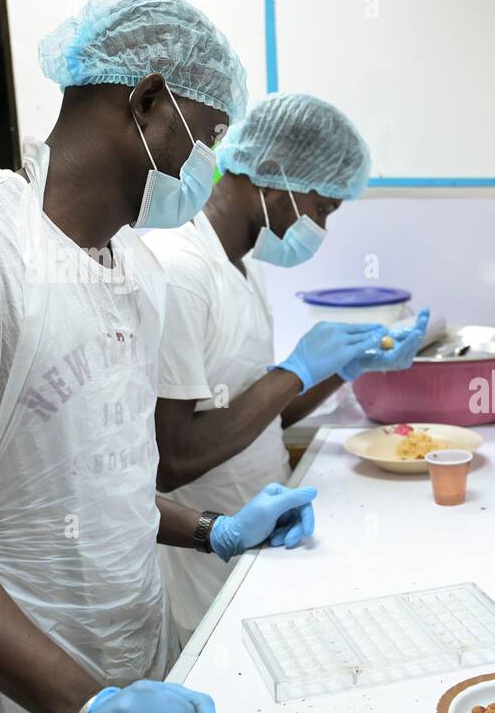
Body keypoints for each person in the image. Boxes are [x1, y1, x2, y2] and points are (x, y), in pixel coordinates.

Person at [0, 0, 312, 713]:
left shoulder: (136, 273)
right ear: (145, 100)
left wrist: (206, 530)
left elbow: (85, 483)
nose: (212, 167)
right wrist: (79, 703)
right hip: (10, 686)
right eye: (207, 137)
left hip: (129, 642)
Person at [147, 92, 429, 642]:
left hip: (260, 530)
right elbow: (173, 458)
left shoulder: (240, 264)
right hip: (208, 551)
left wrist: (344, 369)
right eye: (322, 209)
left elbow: (258, 411)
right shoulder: (181, 270)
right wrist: (298, 368)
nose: (321, 227)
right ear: (273, 176)